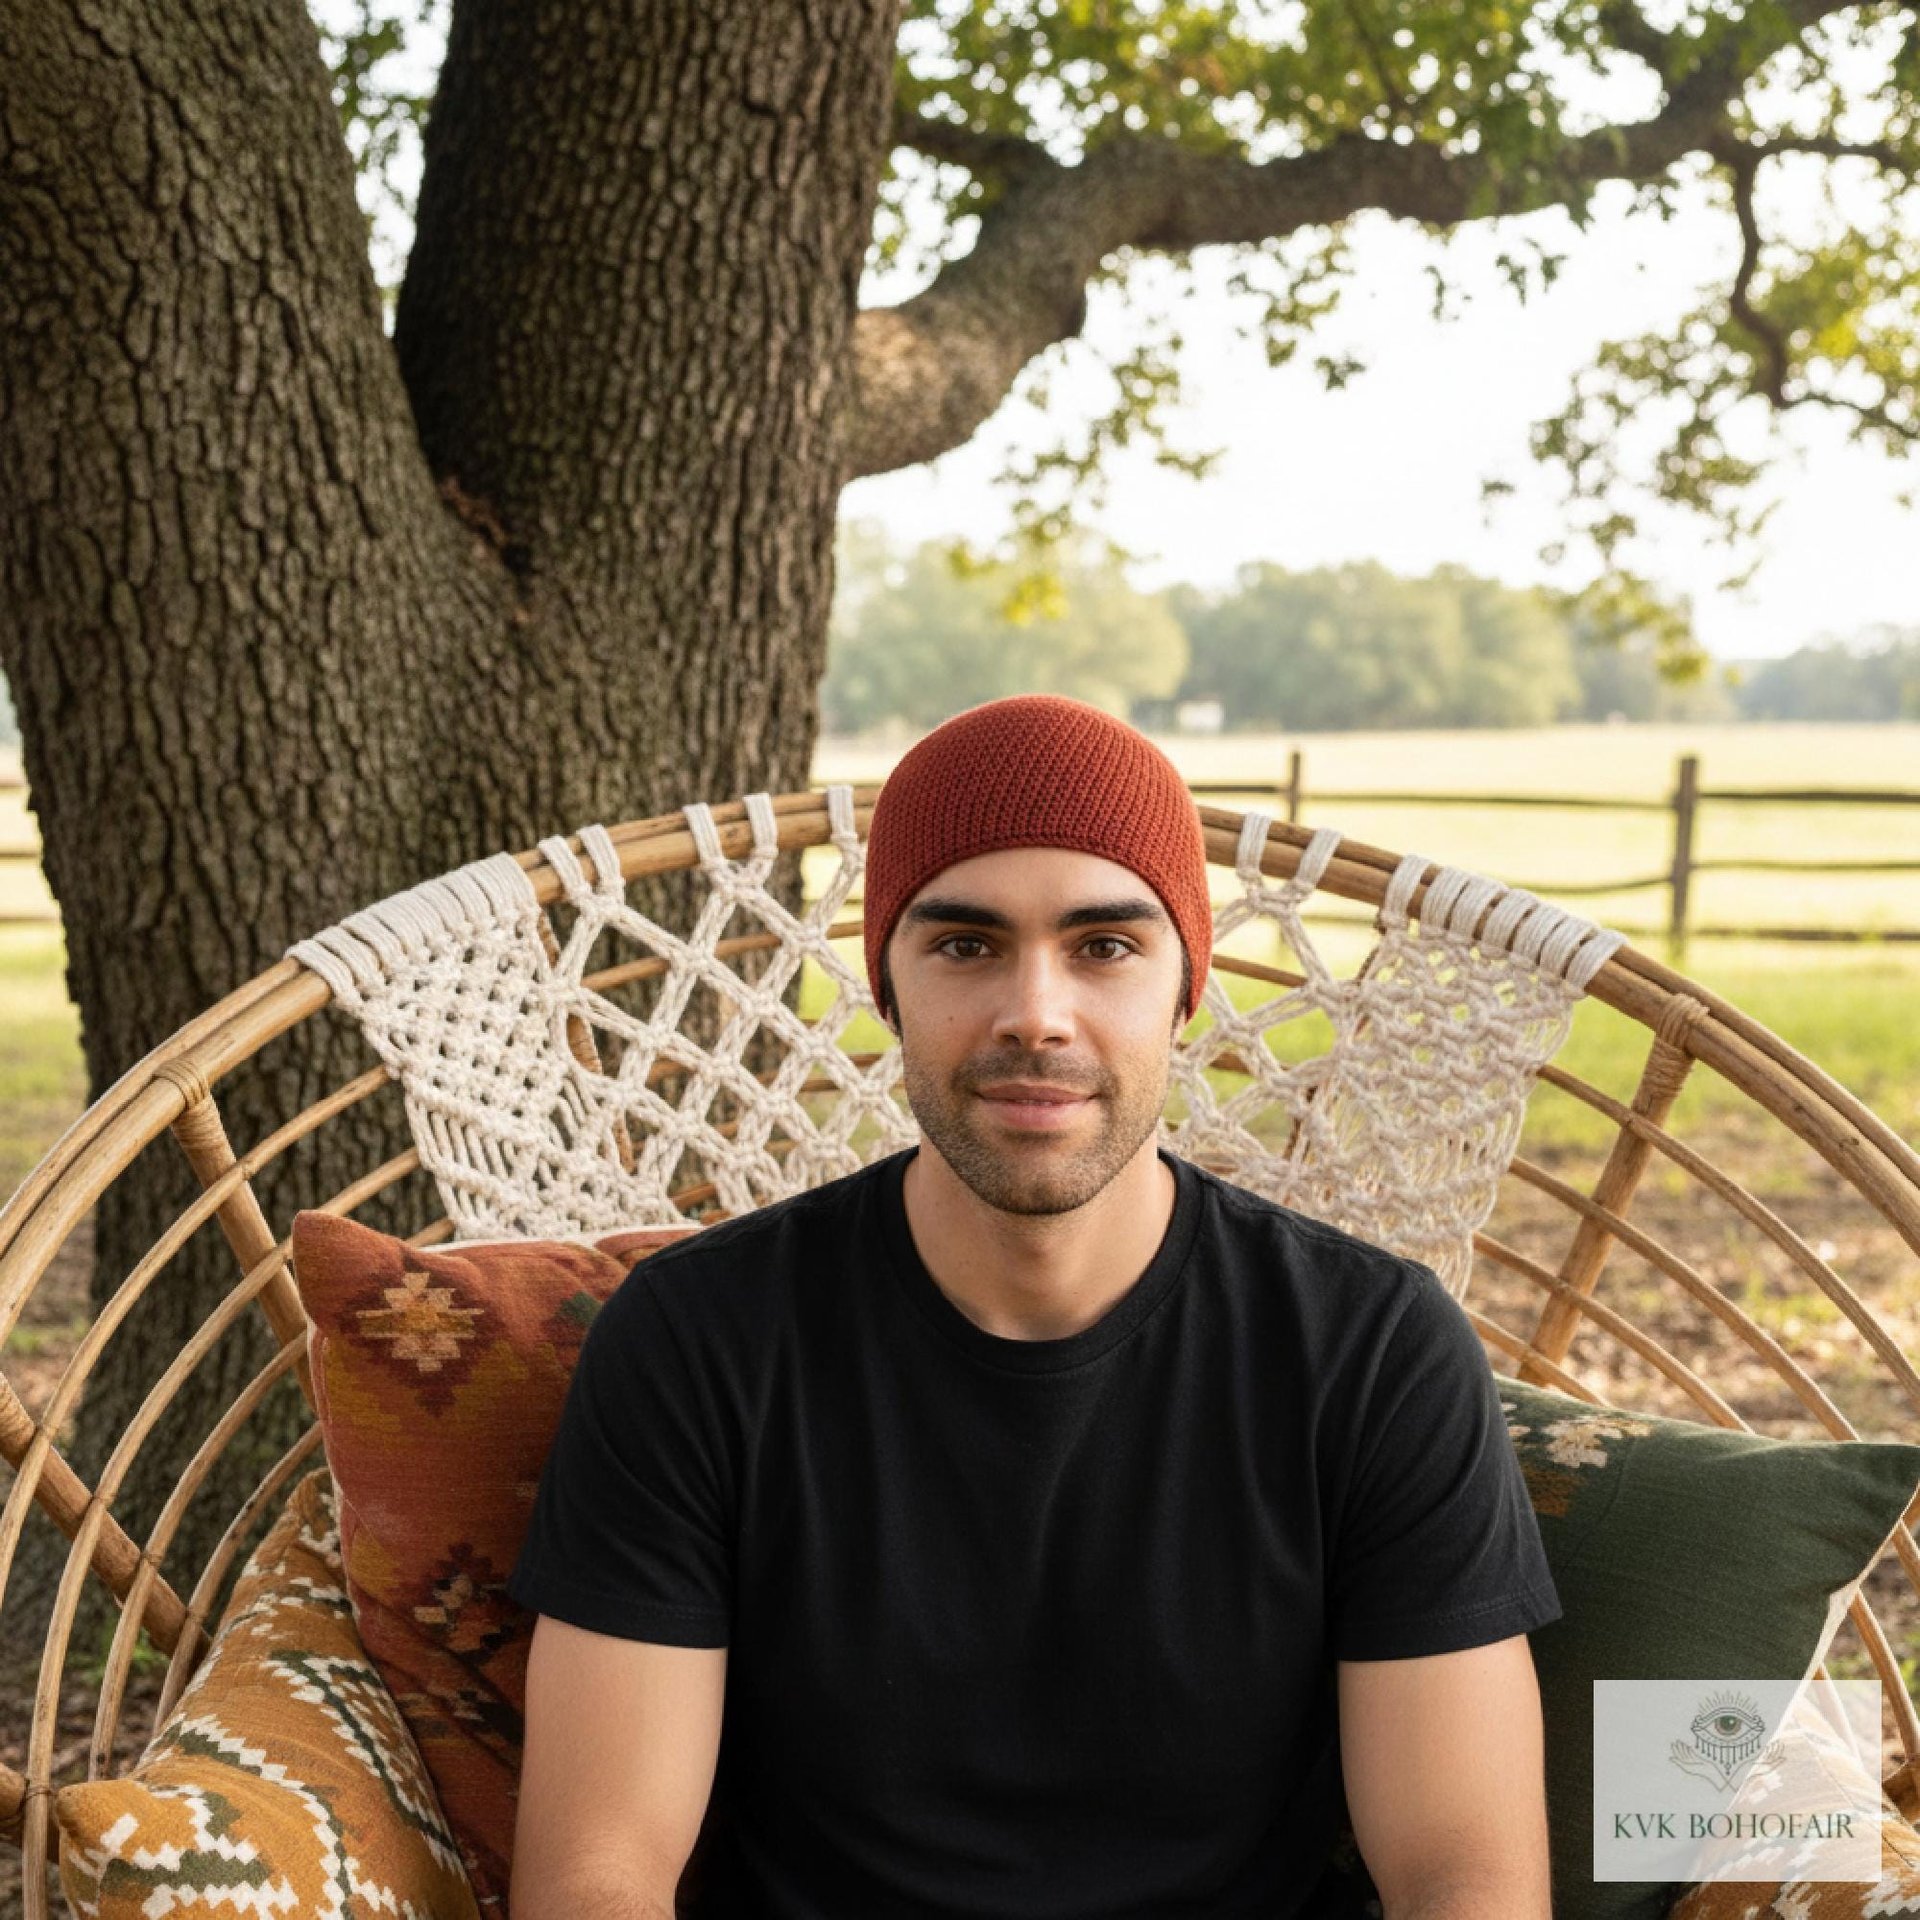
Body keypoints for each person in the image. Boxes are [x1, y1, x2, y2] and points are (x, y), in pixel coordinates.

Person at [506, 694, 1561, 1920]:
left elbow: (1462, 1874)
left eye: (1104, 947)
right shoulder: (698, 1341)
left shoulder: (1370, 1349)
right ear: (887, 988)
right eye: (966, 946)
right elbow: (599, 1872)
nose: (1036, 1015)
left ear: (1186, 991)